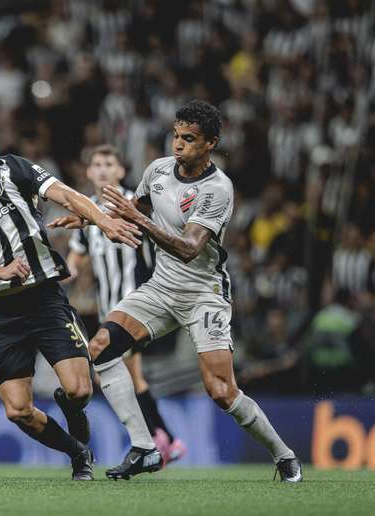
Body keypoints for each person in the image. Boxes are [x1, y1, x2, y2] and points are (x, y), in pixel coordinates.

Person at [49, 100, 302, 482]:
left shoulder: (217, 189)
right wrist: (88, 220)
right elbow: (133, 206)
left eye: (190, 138)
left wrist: (138, 219)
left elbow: (188, 248)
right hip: (161, 288)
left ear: (210, 143)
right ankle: (144, 447)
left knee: (221, 390)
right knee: (101, 347)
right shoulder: (158, 170)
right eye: (176, 136)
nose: (179, 144)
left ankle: (284, 456)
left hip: (203, 294)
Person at [0, 112, 144, 480]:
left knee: (79, 390)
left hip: (44, 299)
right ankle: (78, 453)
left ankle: (70, 406)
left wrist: (104, 222)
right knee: (17, 410)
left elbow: (66, 194)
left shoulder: (16, 170)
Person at [64, 144, 186, 466]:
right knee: (129, 376)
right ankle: (164, 439)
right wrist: (64, 271)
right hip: (109, 308)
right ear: (89, 172)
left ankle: (155, 440)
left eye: (109, 163)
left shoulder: (136, 204)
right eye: (97, 164)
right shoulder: (88, 210)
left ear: (120, 171)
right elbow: (76, 258)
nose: (103, 169)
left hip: (136, 303)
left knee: (117, 369)